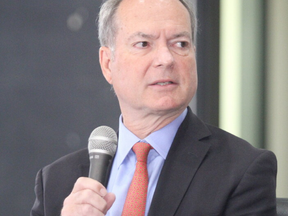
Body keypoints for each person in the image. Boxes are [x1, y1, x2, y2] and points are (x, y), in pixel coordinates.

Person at [31, 0, 277, 215]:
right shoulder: (57, 182)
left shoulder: (241, 171)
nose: (166, 59)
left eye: (180, 43)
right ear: (108, 64)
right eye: (143, 44)